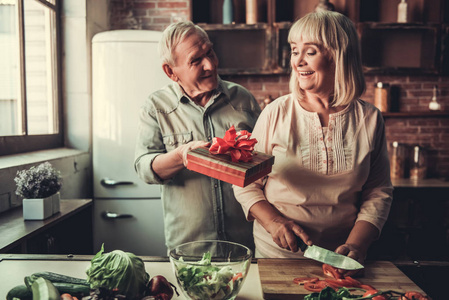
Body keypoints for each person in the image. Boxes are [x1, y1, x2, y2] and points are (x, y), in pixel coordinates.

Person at [233, 11, 393, 274]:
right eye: (295, 51)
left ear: (339, 56)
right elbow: (246, 183)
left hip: (342, 260)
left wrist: (356, 245)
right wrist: (274, 223)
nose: (298, 61)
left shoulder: (369, 119)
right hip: (277, 257)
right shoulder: (276, 112)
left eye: (310, 52)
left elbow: (378, 191)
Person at [134, 21, 261, 252]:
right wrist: (181, 156)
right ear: (170, 71)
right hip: (190, 249)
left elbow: (262, 165)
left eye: (210, 52)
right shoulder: (156, 107)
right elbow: (143, 167)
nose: (210, 65)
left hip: (246, 244)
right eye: (196, 60)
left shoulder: (243, 99)